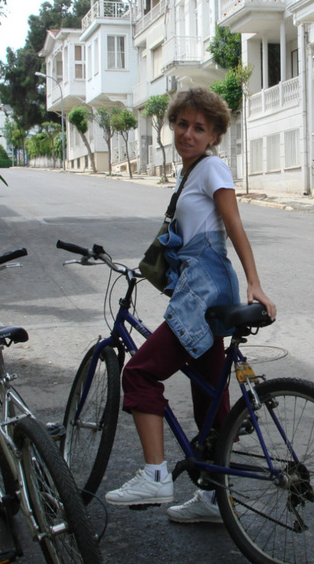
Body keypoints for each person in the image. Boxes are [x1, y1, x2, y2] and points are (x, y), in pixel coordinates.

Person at [105, 88, 276, 523]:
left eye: (199, 127)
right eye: (182, 124)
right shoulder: (191, 173)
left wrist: (255, 282)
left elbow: (233, 224)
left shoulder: (212, 167)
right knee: (208, 394)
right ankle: (214, 497)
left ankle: (156, 476)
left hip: (204, 289)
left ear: (214, 134)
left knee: (139, 372)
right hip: (202, 287)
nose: (188, 133)